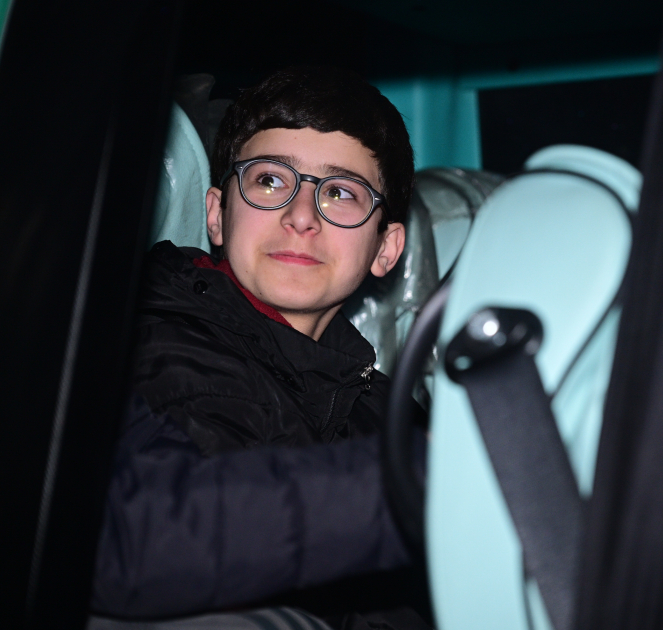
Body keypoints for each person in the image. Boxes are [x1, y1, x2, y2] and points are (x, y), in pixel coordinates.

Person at [91, 67, 429, 628]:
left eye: (340, 193)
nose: (301, 217)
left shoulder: (381, 407)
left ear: (385, 249)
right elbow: (173, 549)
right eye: (270, 180)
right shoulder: (155, 351)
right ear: (217, 215)